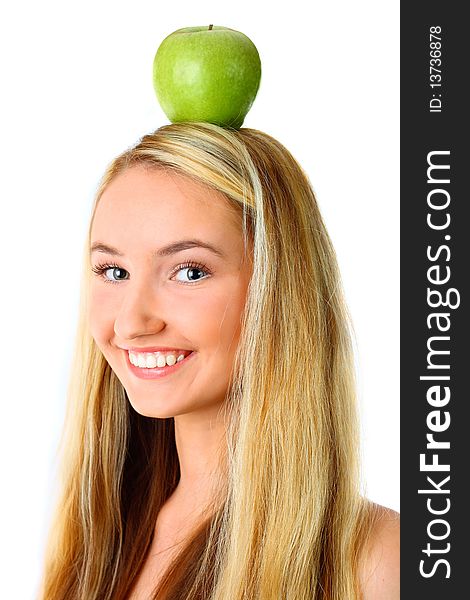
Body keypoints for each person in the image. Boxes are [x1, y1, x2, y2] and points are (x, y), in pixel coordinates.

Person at [38, 122, 399, 600]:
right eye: (113, 271)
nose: (131, 321)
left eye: (188, 271)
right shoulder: (100, 540)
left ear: (280, 292)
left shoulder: (380, 563)